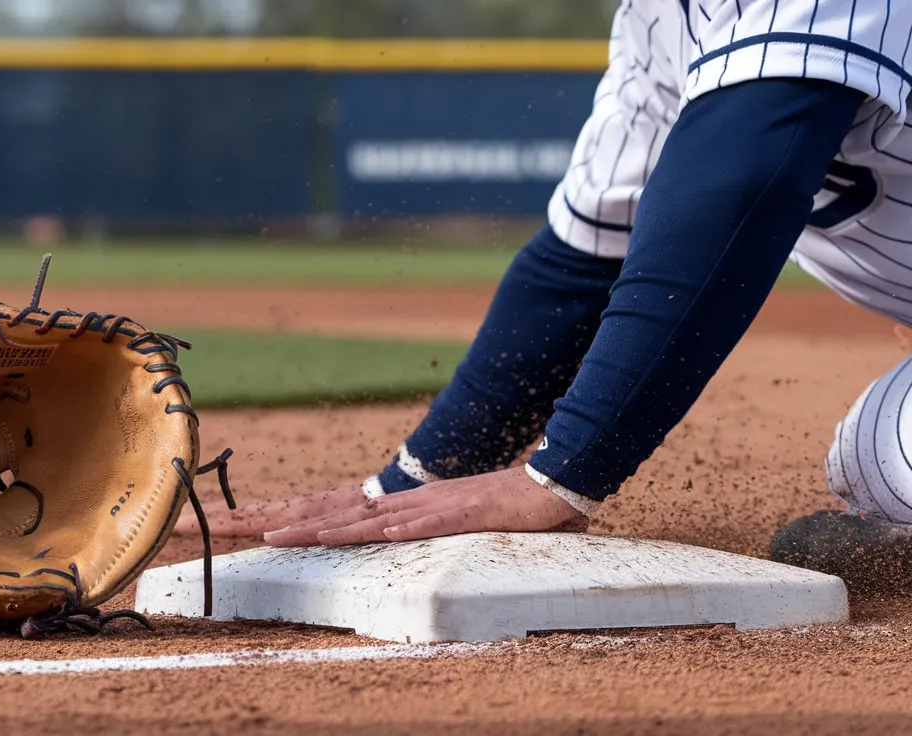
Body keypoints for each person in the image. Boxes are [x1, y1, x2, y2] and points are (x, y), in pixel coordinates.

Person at [179, 0, 912, 564]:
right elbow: (580, 267)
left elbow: (741, 176)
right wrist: (404, 486)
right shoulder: (660, 22)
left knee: (887, 458)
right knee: (878, 453)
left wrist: (561, 474)